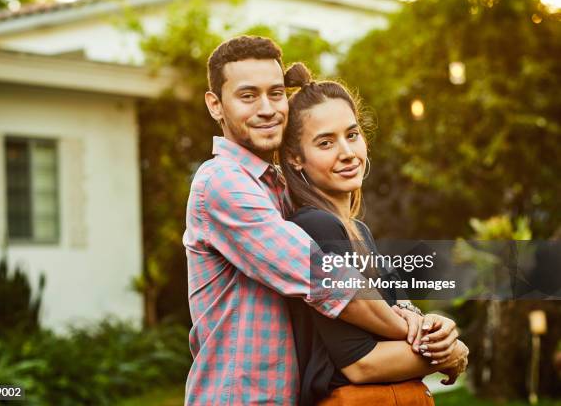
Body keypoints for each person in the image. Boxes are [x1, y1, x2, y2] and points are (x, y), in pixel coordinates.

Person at [184, 35, 461, 405]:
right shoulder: (222, 184)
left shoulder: (280, 189)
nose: (267, 108)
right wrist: (434, 344)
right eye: (248, 96)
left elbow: (381, 295)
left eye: (276, 93)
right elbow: (326, 281)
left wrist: (426, 323)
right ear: (215, 105)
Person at [279, 62, 469, 405]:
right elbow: (360, 363)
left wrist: (435, 329)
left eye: (352, 135)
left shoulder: (358, 231)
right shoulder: (315, 226)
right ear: (295, 158)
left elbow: (400, 314)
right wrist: (451, 351)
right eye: (325, 143)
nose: (348, 153)